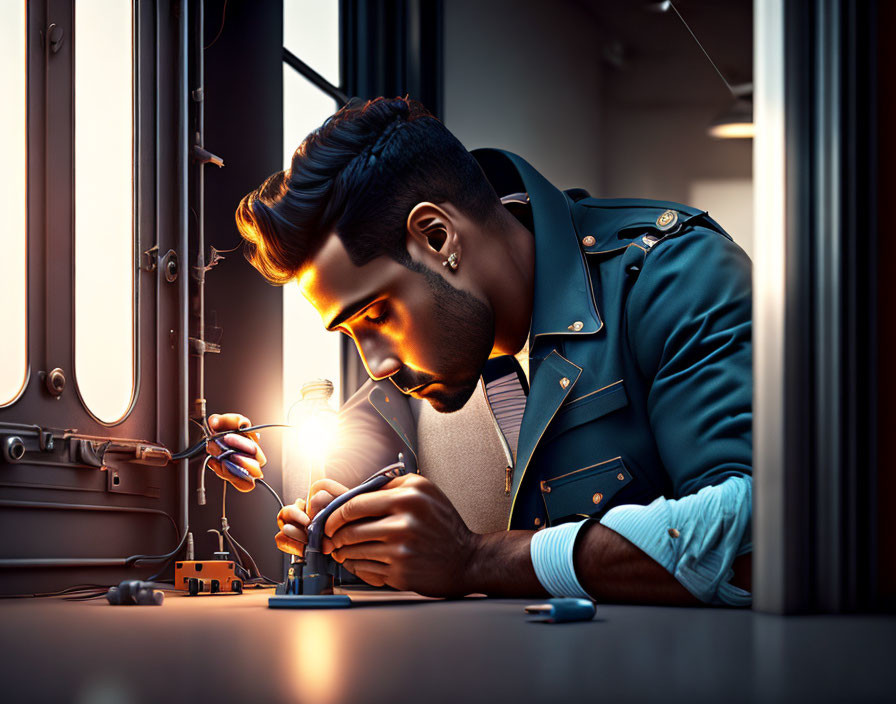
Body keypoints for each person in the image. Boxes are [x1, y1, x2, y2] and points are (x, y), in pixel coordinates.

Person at [207, 96, 752, 605]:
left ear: (439, 238)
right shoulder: (430, 362)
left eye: (375, 315)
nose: (376, 364)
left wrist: (475, 559)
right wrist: (275, 475)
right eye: (351, 334)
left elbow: (750, 530)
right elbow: (341, 475)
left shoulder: (675, 274)